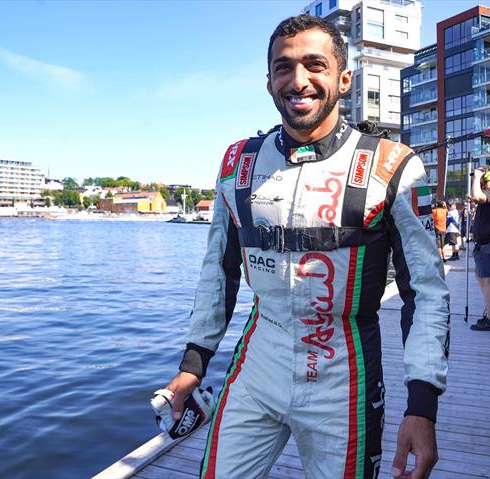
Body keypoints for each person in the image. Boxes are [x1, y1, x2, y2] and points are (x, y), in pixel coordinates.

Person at [162, 15, 450, 479]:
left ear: (344, 78)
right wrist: (194, 364)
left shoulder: (395, 164)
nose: (299, 81)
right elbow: (218, 270)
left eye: (315, 65)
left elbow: (428, 292)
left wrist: (422, 404)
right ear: (269, 81)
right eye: (283, 67)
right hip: (257, 369)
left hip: (344, 380)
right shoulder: (238, 162)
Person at [468, 165, 490, 331]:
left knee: (486, 280)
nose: (476, 179)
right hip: (483, 243)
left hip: (487, 243)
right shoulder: (489, 194)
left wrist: (477, 178)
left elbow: (479, 196)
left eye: (479, 176)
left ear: (486, 177)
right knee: (483, 279)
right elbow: (477, 197)